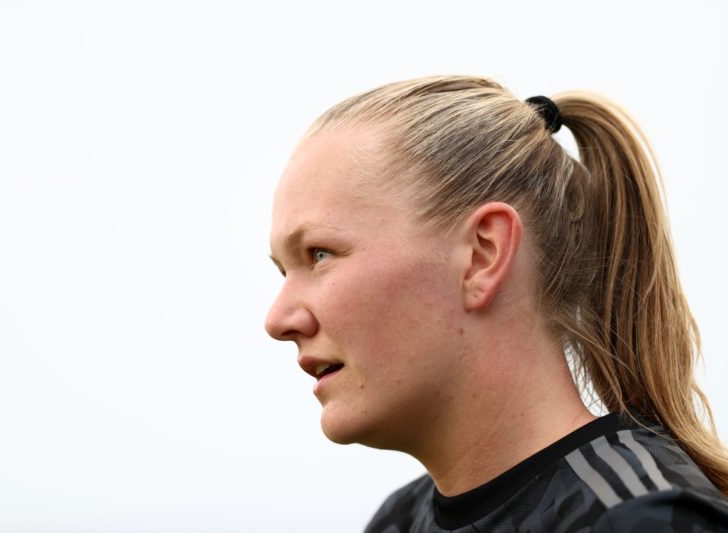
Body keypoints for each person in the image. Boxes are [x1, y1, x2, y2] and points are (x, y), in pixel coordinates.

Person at [264, 75, 728, 532]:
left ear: (482, 256)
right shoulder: (398, 521)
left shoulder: (641, 521)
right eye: (284, 272)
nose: (278, 320)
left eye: (320, 254)